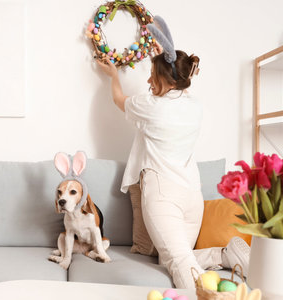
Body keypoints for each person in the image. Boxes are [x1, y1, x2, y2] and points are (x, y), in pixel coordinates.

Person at [96, 16, 250, 289]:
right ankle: (223, 255)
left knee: (177, 261)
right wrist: (161, 61)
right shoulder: (194, 105)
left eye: (152, 76)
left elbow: (118, 100)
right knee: (171, 258)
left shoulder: (150, 106)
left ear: (166, 79)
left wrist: (114, 75)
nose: (147, 80)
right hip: (192, 195)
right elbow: (174, 77)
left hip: (163, 195)